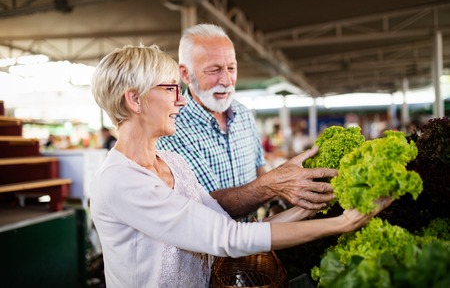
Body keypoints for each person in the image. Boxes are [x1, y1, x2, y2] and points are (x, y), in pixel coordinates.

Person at [89, 44, 392, 287]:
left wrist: (310, 206)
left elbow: (226, 225)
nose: (180, 101)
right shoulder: (120, 182)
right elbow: (229, 239)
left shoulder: (172, 162)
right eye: (171, 89)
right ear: (135, 100)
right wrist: (341, 223)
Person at [157, 24, 333, 219]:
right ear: (185, 74)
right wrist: (274, 184)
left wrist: (275, 204)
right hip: (208, 249)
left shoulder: (242, 113)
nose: (226, 80)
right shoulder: (171, 127)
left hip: (256, 244)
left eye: (231, 68)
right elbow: (205, 206)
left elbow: (259, 168)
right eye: (214, 70)